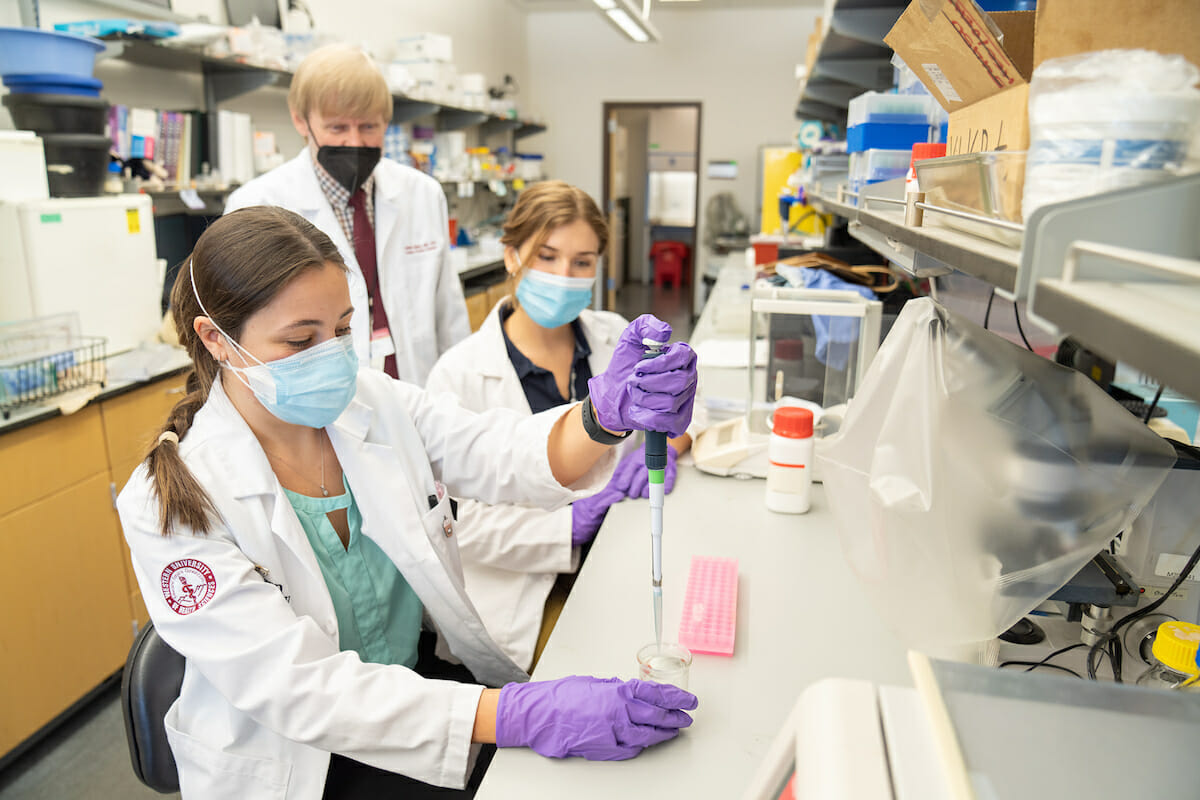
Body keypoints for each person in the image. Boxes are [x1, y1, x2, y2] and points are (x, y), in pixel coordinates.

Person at [116, 206, 700, 799]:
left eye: (342, 329)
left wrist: (601, 417)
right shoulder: (171, 505)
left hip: (422, 687)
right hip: (302, 759)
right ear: (217, 339)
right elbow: (297, 689)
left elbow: (497, 451)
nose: (332, 354)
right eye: (301, 339)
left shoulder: (372, 403)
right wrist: (517, 716)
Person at [426, 181, 696, 671]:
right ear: (511, 256)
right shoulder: (459, 373)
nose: (563, 276)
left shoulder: (616, 336)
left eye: (582, 262)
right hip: (520, 592)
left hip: (621, 553)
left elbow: (682, 418)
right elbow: (452, 524)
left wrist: (667, 447)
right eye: (546, 257)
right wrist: (566, 526)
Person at [225, 43, 467, 386]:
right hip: (315, 401)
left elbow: (449, 316)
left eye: (369, 127)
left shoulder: (422, 194)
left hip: (418, 390)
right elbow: (242, 337)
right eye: (337, 128)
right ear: (300, 120)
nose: (355, 142)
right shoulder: (256, 205)